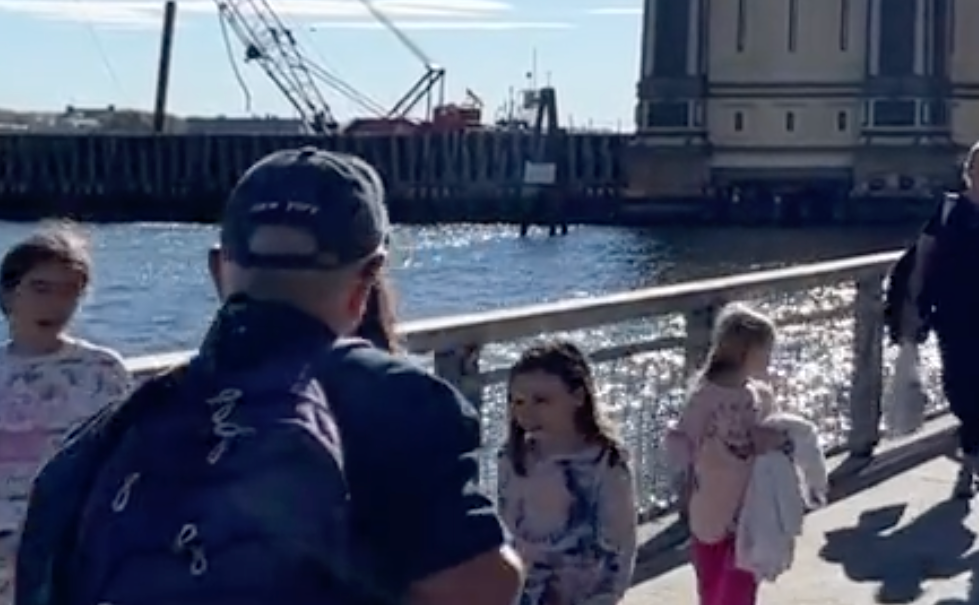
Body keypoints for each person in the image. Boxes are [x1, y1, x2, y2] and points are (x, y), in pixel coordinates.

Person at [18, 147, 522, 605]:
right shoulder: (400, 401)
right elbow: (479, 589)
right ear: (367, 280)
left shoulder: (100, 439)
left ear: (219, 270)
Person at [0, 224, 130, 601]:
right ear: (9, 293)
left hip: (71, 542)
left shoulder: (103, 372)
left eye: (70, 290)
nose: (56, 304)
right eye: (41, 289)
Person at [902, 140, 979, 497]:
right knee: (955, 380)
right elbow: (925, 252)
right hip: (949, 306)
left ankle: (970, 456)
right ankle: (975, 421)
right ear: (968, 171)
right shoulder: (948, 208)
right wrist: (915, 296)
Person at [502, 340, 640, 605]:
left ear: (578, 396)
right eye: (517, 400)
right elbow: (509, 529)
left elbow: (621, 546)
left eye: (541, 400)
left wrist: (607, 596)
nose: (526, 411)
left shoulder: (606, 462)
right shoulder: (512, 458)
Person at [669, 304, 785, 605]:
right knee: (710, 584)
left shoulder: (762, 396)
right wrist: (684, 478)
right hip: (710, 506)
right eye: (766, 351)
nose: (770, 359)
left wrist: (774, 439)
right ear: (744, 352)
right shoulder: (704, 397)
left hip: (749, 508)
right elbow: (681, 444)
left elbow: (777, 435)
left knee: (741, 583)